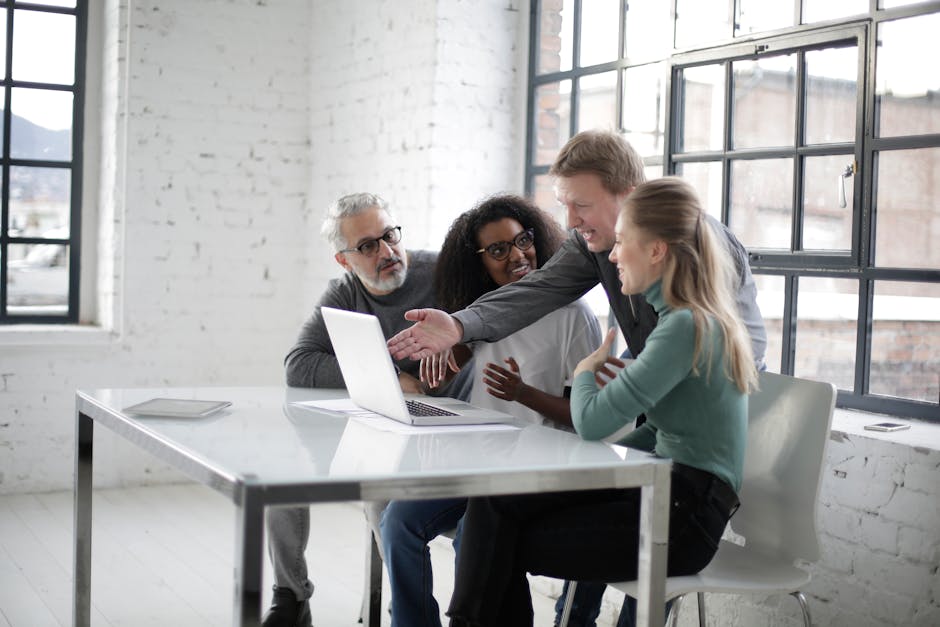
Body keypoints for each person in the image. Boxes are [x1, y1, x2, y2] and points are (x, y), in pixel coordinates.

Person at [387, 129, 766, 626]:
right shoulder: (605, 252)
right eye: (565, 205)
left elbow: (731, 358)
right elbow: (539, 290)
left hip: (687, 482)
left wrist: (615, 375)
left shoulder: (695, 268)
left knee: (504, 535)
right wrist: (459, 325)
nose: (569, 222)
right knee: (495, 509)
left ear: (630, 197)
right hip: (657, 450)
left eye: (581, 206)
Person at [379, 194, 602, 627]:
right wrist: (445, 361)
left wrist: (523, 394)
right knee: (397, 522)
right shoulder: (479, 314)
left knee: (473, 536)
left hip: (539, 467)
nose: (517, 255)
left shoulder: (573, 316)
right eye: (498, 249)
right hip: (478, 460)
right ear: (478, 262)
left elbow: (586, 415)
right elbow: (444, 376)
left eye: (523, 241)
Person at [266, 192, 470, 627]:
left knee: (381, 497)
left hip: (448, 430)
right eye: (367, 246)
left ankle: (405, 609)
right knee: (280, 473)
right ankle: (291, 596)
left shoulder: (442, 271)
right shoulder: (344, 292)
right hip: (385, 428)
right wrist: (392, 378)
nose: (387, 252)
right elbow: (299, 364)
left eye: (389, 235)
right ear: (344, 260)